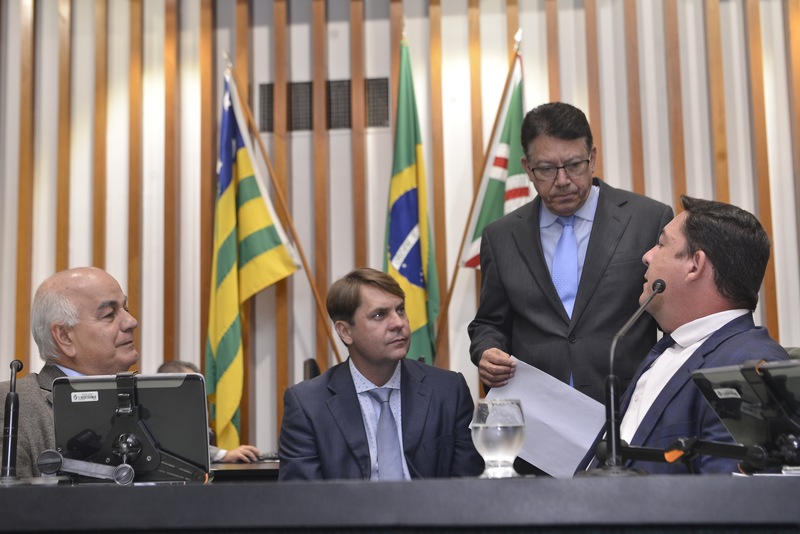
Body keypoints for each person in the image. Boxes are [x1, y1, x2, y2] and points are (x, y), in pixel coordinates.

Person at [469, 102, 673, 403]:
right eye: (546, 169)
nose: (562, 180)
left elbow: (674, 320)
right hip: (538, 410)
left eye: (574, 165)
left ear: (592, 158)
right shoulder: (501, 237)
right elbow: (490, 323)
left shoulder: (647, 220)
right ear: (527, 168)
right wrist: (487, 350)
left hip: (628, 405)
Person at [589, 196, 788, 474]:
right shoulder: (667, 349)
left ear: (695, 265)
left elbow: (729, 494)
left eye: (661, 245)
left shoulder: (751, 368)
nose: (647, 256)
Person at [278, 268, 483, 481]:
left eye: (400, 310)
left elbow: (468, 487)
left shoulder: (448, 391)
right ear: (345, 331)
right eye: (379, 315)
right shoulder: (307, 405)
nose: (398, 323)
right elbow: (303, 497)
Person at [0, 267, 139, 478]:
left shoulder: (144, 400)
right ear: (64, 336)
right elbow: (12, 498)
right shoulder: (13, 404)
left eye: (125, 308)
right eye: (109, 314)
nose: (131, 322)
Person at [156, 360, 262, 463]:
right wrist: (225, 455)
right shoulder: (156, 414)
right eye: (190, 385)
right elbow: (177, 446)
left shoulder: (190, 411)